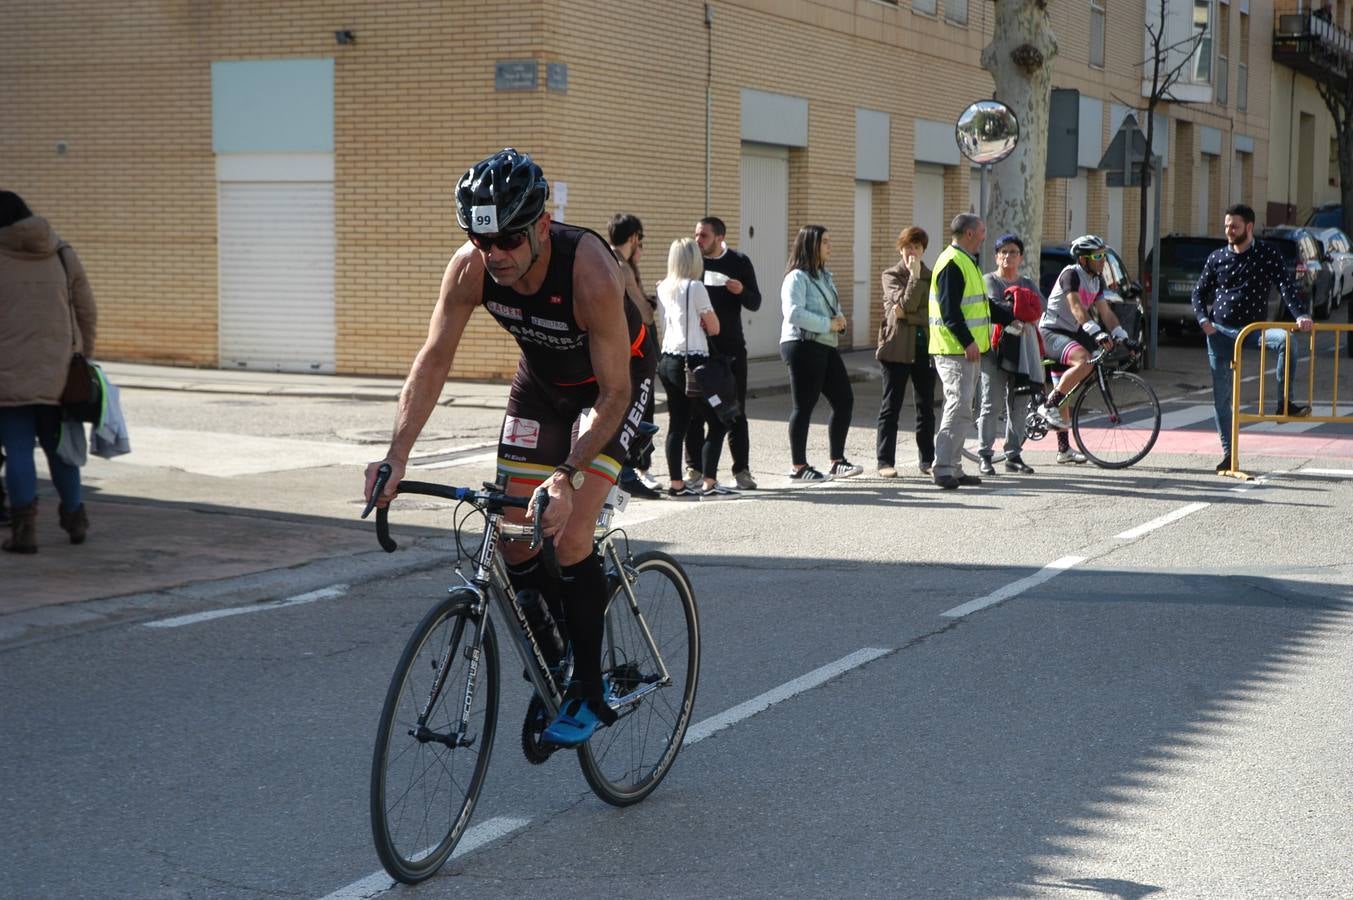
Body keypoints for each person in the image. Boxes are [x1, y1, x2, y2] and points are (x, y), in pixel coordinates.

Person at [363, 149, 656, 746]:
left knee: (570, 533)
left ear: (542, 226)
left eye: (507, 241)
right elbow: (434, 360)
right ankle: (556, 661)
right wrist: (396, 455)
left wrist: (568, 477)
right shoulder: (471, 267)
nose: (493, 254)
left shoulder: (589, 270)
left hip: (614, 387)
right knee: (515, 535)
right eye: (479, 239)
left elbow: (616, 390)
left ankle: (589, 691)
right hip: (542, 386)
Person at [0, 190, 95, 552]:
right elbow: (87, 310)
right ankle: (75, 521)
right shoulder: (61, 253)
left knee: (19, 448)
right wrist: (83, 357)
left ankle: (24, 534)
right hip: (59, 373)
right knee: (61, 452)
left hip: (7, 374)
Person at [1191, 203, 1314, 473]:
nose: (1228, 231)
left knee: (1287, 340)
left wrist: (1300, 315)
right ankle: (1229, 453)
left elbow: (1285, 284)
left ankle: (1284, 402)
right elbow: (1199, 293)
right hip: (1221, 332)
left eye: (1233, 226)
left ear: (1248, 227)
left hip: (1255, 330)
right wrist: (1204, 322)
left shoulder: (1267, 254)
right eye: (1226, 226)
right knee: (1222, 397)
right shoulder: (1217, 257)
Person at [928, 213, 1013, 489]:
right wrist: (967, 341)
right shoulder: (953, 263)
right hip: (955, 350)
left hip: (965, 351)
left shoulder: (965, 261)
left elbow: (981, 306)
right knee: (957, 406)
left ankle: (953, 467)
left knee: (963, 410)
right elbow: (949, 310)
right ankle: (942, 467)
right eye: (981, 233)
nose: (984, 238)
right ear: (969, 234)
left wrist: (1011, 316)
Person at [779, 224, 861, 482]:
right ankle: (799, 467)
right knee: (803, 405)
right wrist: (828, 323)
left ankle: (837, 461)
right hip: (802, 345)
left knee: (844, 400)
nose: (829, 246)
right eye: (825, 242)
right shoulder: (796, 278)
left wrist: (840, 321)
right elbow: (793, 313)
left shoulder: (825, 276)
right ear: (811, 245)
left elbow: (831, 308)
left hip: (825, 344)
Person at [686, 216, 762, 490]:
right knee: (695, 413)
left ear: (719, 237)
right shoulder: (694, 262)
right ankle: (694, 469)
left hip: (730, 351)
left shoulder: (739, 262)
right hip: (697, 350)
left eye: (703, 235)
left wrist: (741, 291)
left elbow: (756, 301)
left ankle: (741, 470)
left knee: (734, 410)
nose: (698, 240)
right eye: (696, 234)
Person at [655, 238, 734, 499]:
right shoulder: (696, 287)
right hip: (694, 362)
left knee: (678, 423)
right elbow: (715, 328)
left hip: (668, 360)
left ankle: (676, 484)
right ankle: (709, 482)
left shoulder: (664, 286)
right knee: (718, 420)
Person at [1035, 235, 1129, 433]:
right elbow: (1076, 307)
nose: (1102, 259)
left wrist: (1121, 335)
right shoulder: (1071, 275)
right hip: (1051, 332)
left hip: (1070, 334)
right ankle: (1047, 406)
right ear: (1083, 259)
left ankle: (1064, 450)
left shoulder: (1096, 281)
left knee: (1065, 391)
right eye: (1097, 256)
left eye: (1103, 255)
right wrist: (1097, 333)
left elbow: (1106, 312)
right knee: (1085, 360)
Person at [607, 213, 662, 500]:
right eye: (640, 238)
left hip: (625, 348)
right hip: (632, 350)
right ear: (633, 237)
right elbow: (643, 312)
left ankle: (629, 470)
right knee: (635, 410)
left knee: (632, 409)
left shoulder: (613, 262)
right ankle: (627, 472)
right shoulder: (621, 267)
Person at [976, 232, 1041, 475]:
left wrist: (1022, 311)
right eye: (1003, 252)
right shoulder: (989, 281)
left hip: (1023, 351)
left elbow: (1037, 311)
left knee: (1020, 403)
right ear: (996, 257)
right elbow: (999, 308)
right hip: (995, 350)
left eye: (1013, 252)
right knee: (990, 403)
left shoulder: (1028, 283)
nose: (1008, 256)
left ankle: (1013, 454)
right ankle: (985, 454)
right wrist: (1021, 310)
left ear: (1021, 257)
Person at [875, 226, 936, 478]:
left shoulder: (932, 276)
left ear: (923, 250)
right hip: (896, 348)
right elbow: (903, 305)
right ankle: (884, 461)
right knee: (891, 406)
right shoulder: (891, 275)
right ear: (900, 248)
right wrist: (913, 278)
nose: (912, 252)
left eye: (917, 247)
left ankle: (927, 460)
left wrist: (909, 315)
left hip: (925, 348)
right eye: (908, 247)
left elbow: (930, 313)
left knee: (926, 407)